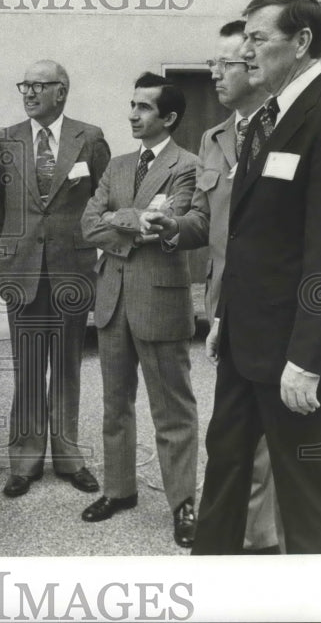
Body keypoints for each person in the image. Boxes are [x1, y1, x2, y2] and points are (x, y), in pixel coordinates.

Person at [189, 0, 321, 555]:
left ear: (301, 42)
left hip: (295, 356)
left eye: (257, 39)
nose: (245, 52)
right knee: (224, 474)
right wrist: (224, 315)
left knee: (308, 495)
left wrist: (307, 359)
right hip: (246, 340)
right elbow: (251, 238)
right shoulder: (266, 118)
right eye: (244, 38)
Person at [142, 20, 282, 554]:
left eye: (225, 64)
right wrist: (173, 227)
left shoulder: (281, 131)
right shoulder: (215, 138)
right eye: (212, 65)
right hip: (224, 299)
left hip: (266, 302)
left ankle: (259, 540)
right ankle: (241, 529)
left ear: (253, 64)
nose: (215, 74)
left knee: (266, 434)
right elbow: (204, 220)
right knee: (236, 427)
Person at [79, 72, 199, 548]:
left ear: (168, 117)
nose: (132, 113)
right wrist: (130, 218)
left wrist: (118, 221)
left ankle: (183, 504)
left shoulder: (187, 165)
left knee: (172, 409)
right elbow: (89, 225)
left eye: (144, 107)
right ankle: (119, 489)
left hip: (160, 300)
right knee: (115, 404)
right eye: (132, 104)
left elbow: (169, 225)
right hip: (113, 299)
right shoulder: (119, 164)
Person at [0, 59, 110, 497]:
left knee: (68, 367)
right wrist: (25, 246)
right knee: (28, 368)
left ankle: (69, 457)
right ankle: (25, 460)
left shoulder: (89, 139)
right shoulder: (4, 141)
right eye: (25, 85)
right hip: (22, 272)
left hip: (71, 270)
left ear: (62, 91)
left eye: (40, 85)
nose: (29, 92)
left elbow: (101, 202)